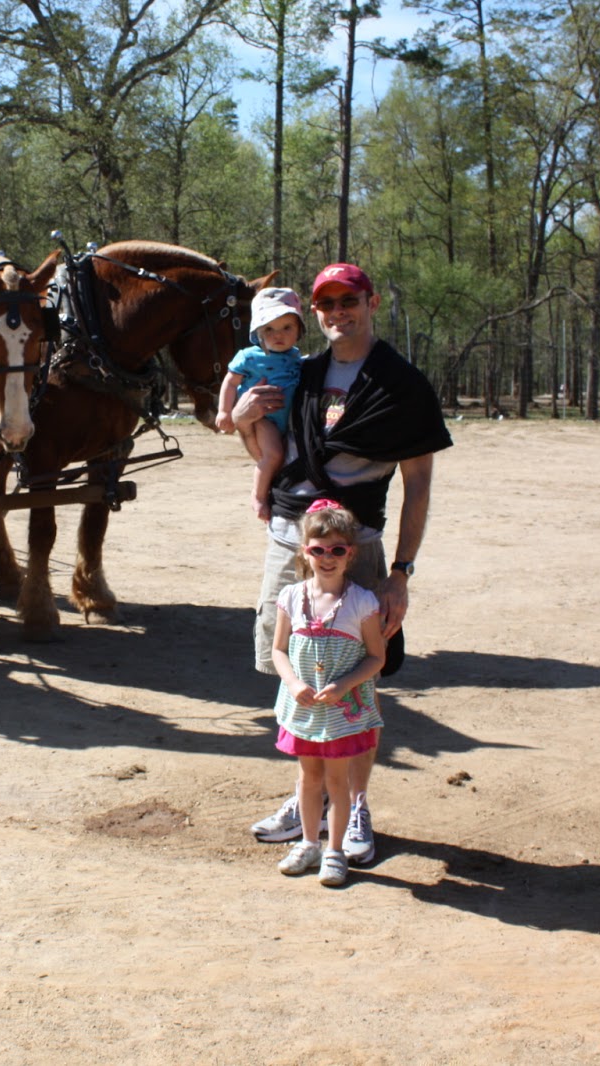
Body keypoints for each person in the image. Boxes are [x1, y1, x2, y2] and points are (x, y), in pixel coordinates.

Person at [235, 262, 453, 861]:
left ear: (371, 302)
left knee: (356, 688)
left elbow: (418, 484)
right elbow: (268, 449)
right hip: (290, 541)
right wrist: (244, 418)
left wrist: (401, 573)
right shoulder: (300, 373)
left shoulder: (401, 385)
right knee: (298, 679)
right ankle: (308, 797)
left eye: (348, 300)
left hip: (356, 550)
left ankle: (354, 806)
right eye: (326, 303)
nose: (338, 312)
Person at [270, 500, 386, 883]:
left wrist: (344, 685)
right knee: (308, 779)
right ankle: (308, 843)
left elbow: (376, 657)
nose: (327, 558)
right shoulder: (291, 597)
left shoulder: (361, 603)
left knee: (337, 782)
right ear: (305, 552)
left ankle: (334, 851)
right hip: (304, 708)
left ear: (350, 554)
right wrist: (293, 683)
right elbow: (278, 650)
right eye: (318, 550)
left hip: (341, 711)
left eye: (336, 550)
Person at [215, 287, 306, 521]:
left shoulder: (296, 357)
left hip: (288, 421)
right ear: (258, 332)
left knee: (283, 458)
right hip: (264, 418)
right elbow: (230, 382)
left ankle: (273, 492)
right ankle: (258, 496)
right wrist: (224, 411)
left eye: (287, 327)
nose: (278, 335)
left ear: (299, 330)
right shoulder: (249, 356)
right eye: (269, 329)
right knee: (273, 455)